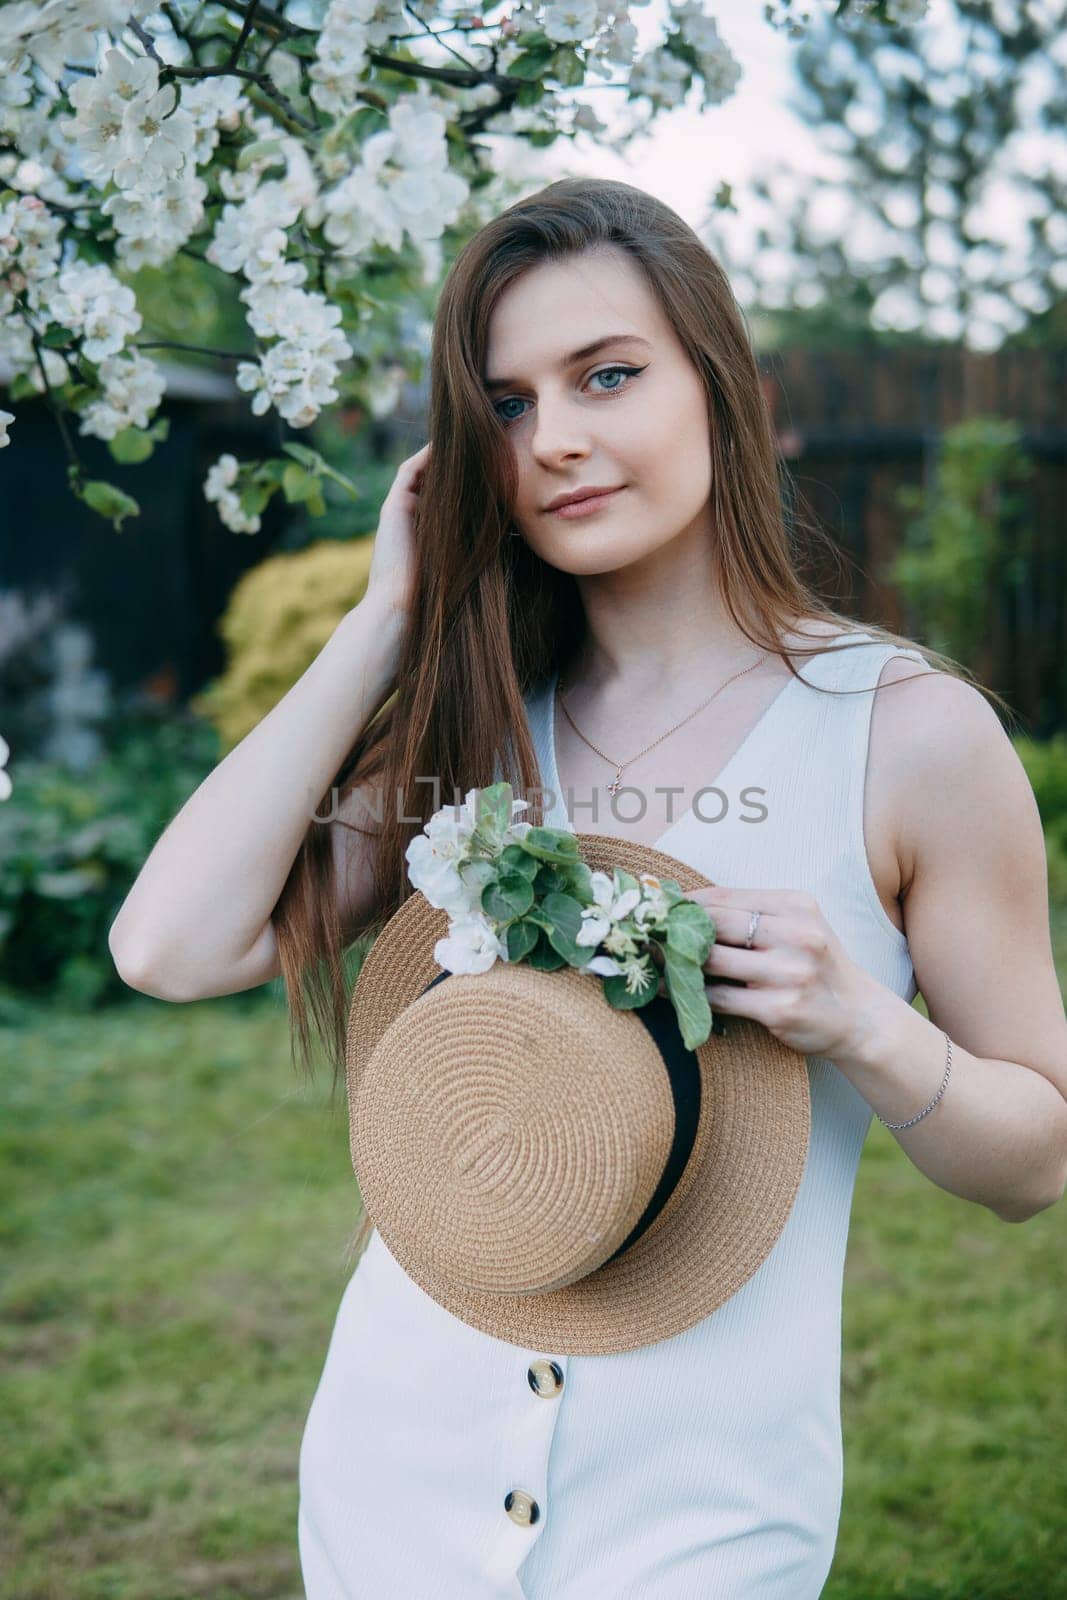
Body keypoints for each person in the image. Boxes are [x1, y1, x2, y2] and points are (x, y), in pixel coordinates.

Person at [109, 178, 1067, 1599]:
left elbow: (1037, 1160)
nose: (554, 439)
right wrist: (386, 618)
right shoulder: (473, 725)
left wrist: (865, 1021)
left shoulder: (908, 735)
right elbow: (169, 947)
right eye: (502, 405)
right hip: (394, 1470)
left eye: (606, 375)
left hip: (706, 1513)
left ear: (720, 382)